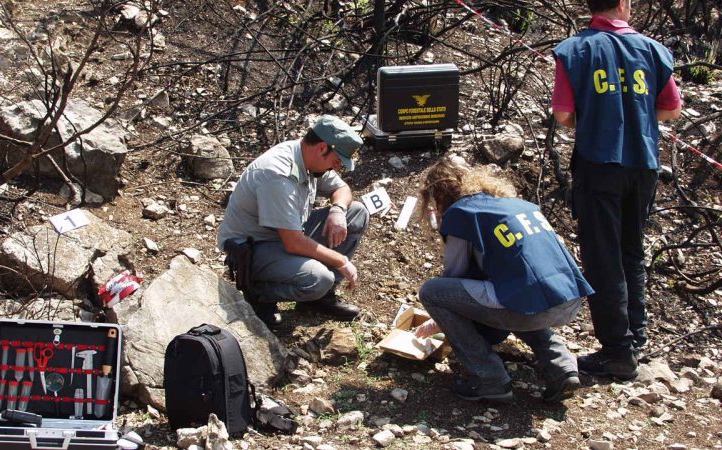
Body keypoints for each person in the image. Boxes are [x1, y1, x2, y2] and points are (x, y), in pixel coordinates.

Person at [552, 0, 682, 379]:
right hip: (643, 161)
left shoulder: (575, 49)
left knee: (603, 255)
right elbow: (671, 108)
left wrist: (595, 115)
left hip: (598, 160)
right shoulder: (653, 49)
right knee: (631, 249)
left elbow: (562, 115)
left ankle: (617, 351)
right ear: (623, 4)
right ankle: (634, 339)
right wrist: (636, 114)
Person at [413, 160, 594, 403]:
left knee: (432, 292)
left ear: (439, 196)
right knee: (520, 290)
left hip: (527, 308)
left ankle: (489, 378)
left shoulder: (462, 213)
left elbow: (454, 275)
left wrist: (439, 322)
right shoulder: (521, 206)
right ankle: (560, 364)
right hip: (568, 299)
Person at [217, 115, 369, 327]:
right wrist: (341, 261)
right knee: (319, 278)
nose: (335, 168)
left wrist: (338, 210)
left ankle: (318, 299)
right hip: (253, 249)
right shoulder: (278, 174)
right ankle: (258, 293)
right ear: (322, 148)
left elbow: (342, 189)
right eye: (336, 162)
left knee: (357, 212)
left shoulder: (310, 160)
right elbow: (294, 243)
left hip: (288, 234)